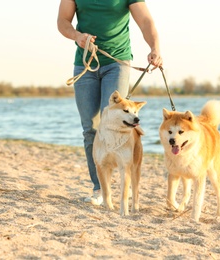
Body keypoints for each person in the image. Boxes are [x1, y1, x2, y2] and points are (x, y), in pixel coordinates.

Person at [57, 0, 162, 205]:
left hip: (117, 63)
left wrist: (155, 47)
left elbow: (146, 21)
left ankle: (126, 182)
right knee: (91, 127)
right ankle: (99, 189)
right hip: (85, 64)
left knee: (119, 123)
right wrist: (78, 36)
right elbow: (62, 21)